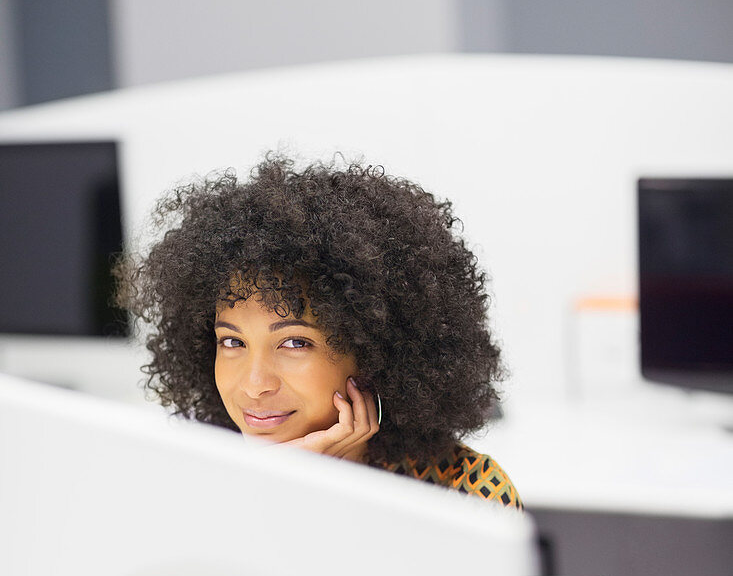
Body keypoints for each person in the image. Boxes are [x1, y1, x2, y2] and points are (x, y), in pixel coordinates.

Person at [116, 155, 521, 508]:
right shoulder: (187, 489)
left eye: (295, 342)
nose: (254, 385)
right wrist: (268, 484)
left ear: (376, 351)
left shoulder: (465, 495)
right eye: (232, 341)